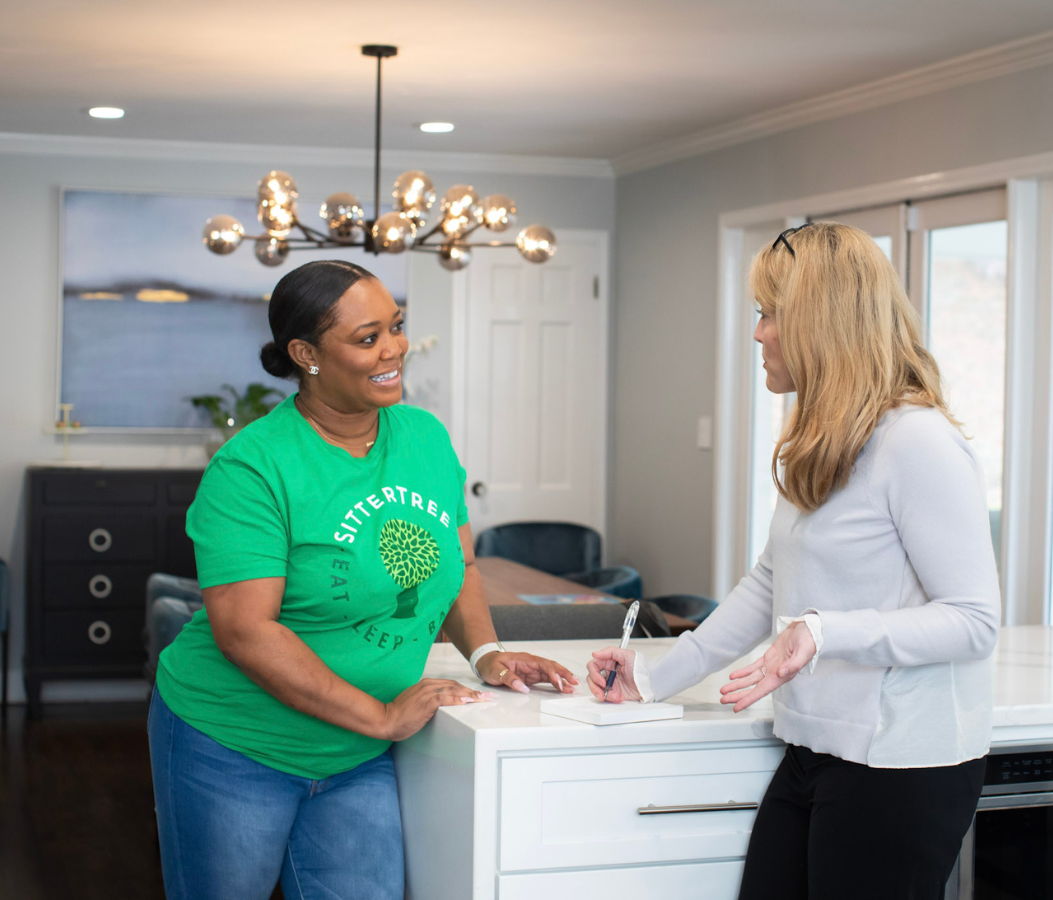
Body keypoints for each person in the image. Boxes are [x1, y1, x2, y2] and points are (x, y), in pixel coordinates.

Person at [588, 223, 1000, 899]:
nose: (757, 333)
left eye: (768, 314)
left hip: (898, 764)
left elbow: (974, 620)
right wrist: (657, 681)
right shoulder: (827, 438)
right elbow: (768, 584)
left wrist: (824, 629)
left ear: (817, 324)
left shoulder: (917, 443)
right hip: (813, 748)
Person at [149, 259, 578, 900]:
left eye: (396, 327)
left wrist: (488, 653)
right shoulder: (252, 468)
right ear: (306, 354)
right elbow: (245, 632)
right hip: (234, 745)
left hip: (354, 755)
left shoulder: (424, 437)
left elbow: (455, 569)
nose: (394, 349)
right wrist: (380, 717)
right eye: (368, 337)